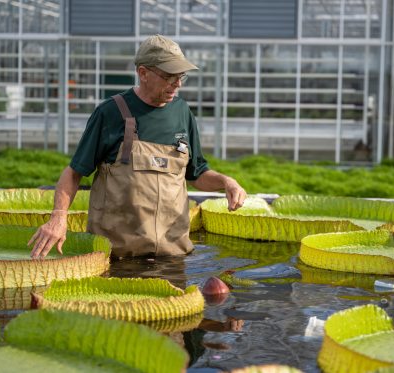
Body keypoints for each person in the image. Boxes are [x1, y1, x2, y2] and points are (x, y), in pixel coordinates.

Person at [29, 34, 247, 259]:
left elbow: (197, 173)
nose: (177, 84)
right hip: (116, 258)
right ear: (143, 73)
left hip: (173, 256)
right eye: (169, 76)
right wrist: (58, 216)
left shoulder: (183, 113)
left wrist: (226, 182)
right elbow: (74, 173)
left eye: (181, 76)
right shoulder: (110, 113)